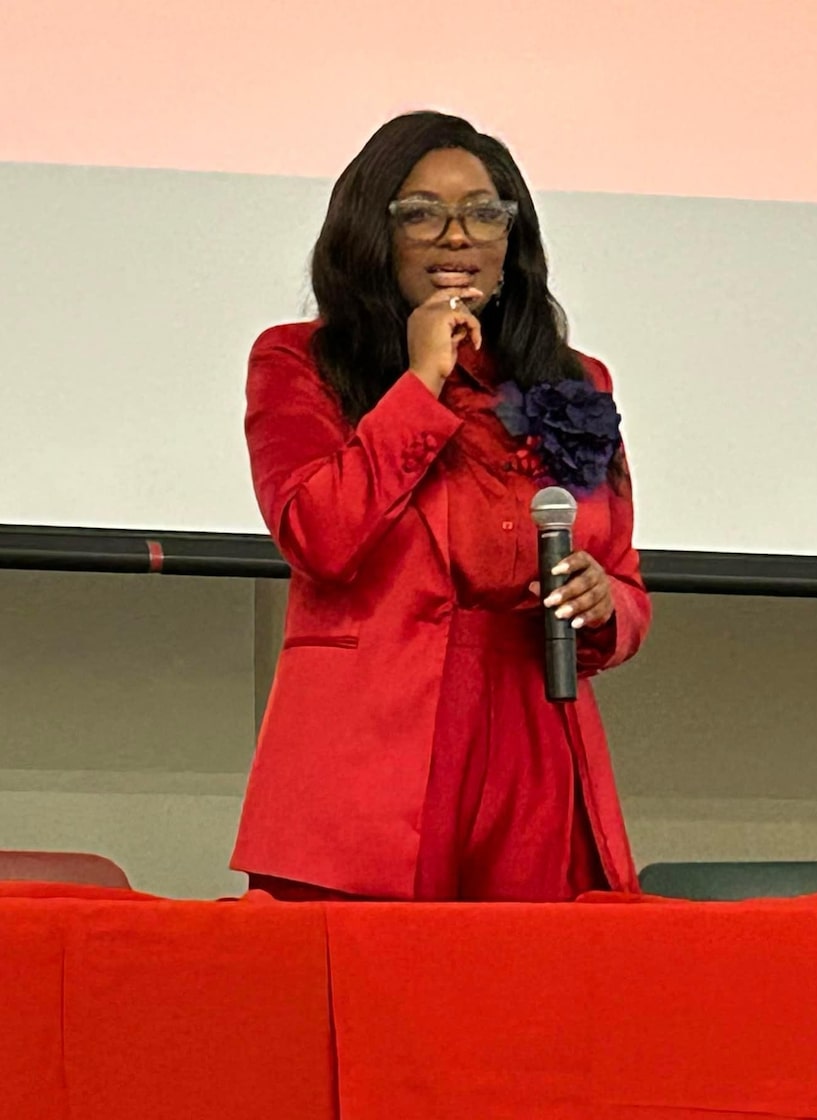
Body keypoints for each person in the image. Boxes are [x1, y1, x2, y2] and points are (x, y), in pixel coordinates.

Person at [231, 111, 651, 902]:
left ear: (510, 240)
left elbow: (625, 583)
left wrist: (602, 607)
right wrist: (421, 381)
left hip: (537, 733)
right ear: (372, 233)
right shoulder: (299, 361)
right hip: (371, 749)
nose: (456, 236)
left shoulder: (574, 379)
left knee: (528, 1006)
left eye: (484, 212)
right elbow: (320, 537)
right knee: (370, 1005)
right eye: (421, 212)